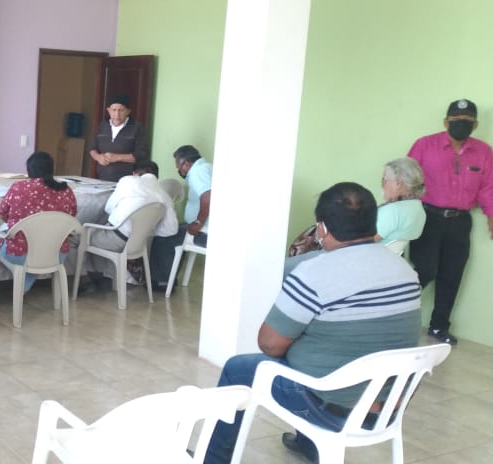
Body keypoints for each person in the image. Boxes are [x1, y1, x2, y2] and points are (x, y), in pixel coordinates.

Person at [204, 182, 421, 464]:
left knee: (240, 368)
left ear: (322, 229)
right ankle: (310, 445)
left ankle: (213, 459)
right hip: (387, 408)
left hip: (330, 410)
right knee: (318, 351)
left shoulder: (313, 272)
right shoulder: (405, 271)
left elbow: (269, 345)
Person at [407, 98, 493, 345]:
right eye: (456, 120)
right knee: (424, 270)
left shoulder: (484, 152)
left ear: (475, 125)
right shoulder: (424, 145)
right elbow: (408, 178)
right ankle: (394, 316)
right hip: (428, 218)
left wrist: (491, 216)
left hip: (460, 222)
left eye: (467, 121)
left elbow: (488, 188)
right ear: (446, 122)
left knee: (452, 275)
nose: (461, 124)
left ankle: (439, 327)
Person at [283, 157, 427, 275]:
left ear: (398, 184)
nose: (382, 185)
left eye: (384, 180)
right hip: (379, 262)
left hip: (353, 259)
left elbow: (361, 242)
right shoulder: (418, 210)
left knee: (287, 267)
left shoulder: (393, 212)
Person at [81, 160, 178, 291]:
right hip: (139, 245)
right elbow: (171, 230)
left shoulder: (128, 181)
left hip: (116, 239)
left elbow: (108, 208)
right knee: (100, 233)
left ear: (135, 173)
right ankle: (103, 274)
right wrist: (145, 229)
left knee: (78, 235)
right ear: (157, 176)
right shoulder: (164, 196)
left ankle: (82, 280)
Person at [0, 151, 77, 292]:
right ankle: (24, 286)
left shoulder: (18, 188)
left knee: (1, 232)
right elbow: (71, 216)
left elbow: (3, 213)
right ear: (52, 169)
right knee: (39, 246)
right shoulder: (66, 190)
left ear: (29, 171)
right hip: (56, 254)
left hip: (19, 253)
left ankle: (22, 286)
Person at [148, 145, 212, 290]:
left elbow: (208, 196)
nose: (178, 170)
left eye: (179, 166)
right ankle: (168, 278)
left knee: (165, 235)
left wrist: (198, 222)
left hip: (204, 232)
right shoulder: (207, 167)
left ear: (187, 163)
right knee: (175, 231)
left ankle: (161, 282)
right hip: (207, 228)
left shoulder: (198, 172)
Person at [88, 94, 150, 182]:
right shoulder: (103, 125)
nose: (117, 115)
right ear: (108, 110)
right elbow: (92, 147)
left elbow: (142, 155)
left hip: (127, 180)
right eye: (114, 110)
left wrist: (117, 157)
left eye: (121, 110)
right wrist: (98, 157)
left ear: (128, 111)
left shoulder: (136, 127)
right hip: (103, 178)